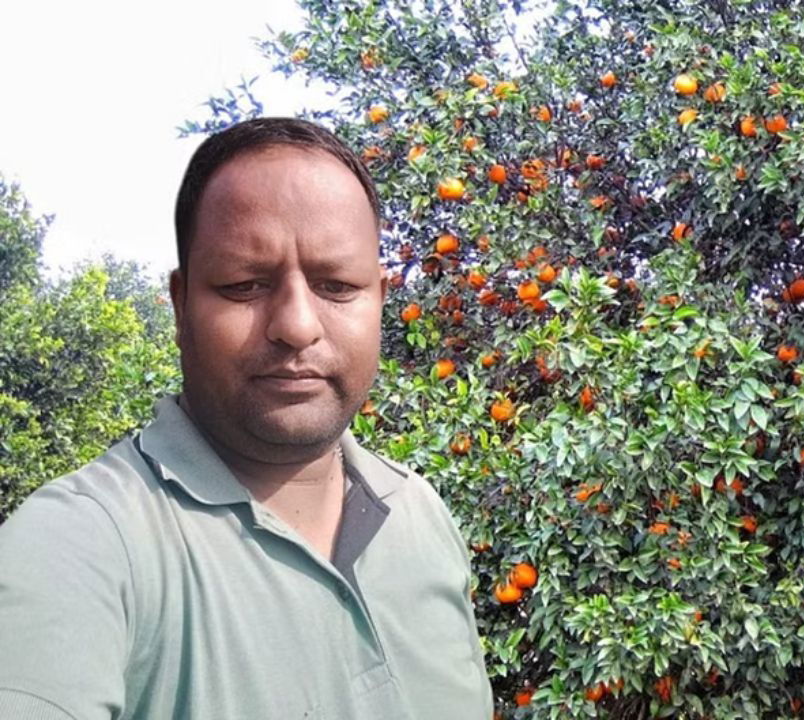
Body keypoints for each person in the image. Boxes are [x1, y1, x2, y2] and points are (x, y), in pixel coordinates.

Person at [0, 117, 494, 719]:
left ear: (381, 302)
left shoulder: (418, 513)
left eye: (337, 286)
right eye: (244, 285)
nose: (297, 325)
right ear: (181, 305)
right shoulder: (81, 544)